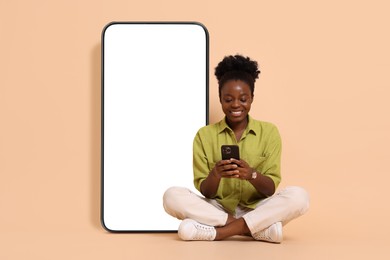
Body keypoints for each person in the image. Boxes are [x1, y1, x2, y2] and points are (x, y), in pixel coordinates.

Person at [163, 54, 309, 242]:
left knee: (299, 196)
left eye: (243, 98)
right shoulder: (204, 135)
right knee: (171, 196)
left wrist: (251, 175)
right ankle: (256, 229)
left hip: (259, 207)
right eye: (228, 99)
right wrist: (215, 175)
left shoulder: (269, 132)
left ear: (252, 98)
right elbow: (206, 192)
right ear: (221, 99)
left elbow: (270, 189)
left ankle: (220, 232)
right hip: (218, 208)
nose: (236, 105)